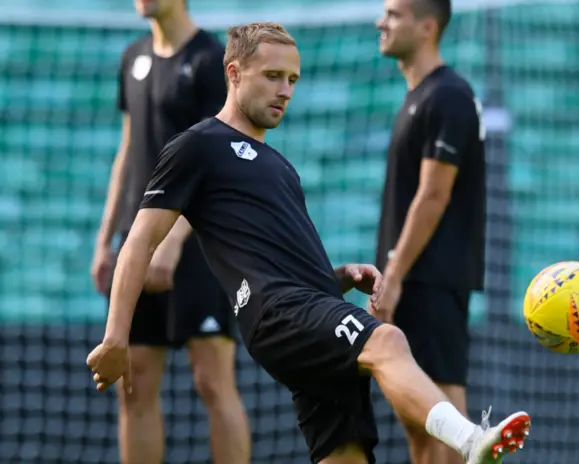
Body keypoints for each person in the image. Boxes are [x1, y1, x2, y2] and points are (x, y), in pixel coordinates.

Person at [86, 21, 531, 464]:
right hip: (276, 312)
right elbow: (140, 242)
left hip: (307, 305)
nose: (285, 91)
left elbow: (281, 259)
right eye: (273, 76)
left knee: (347, 455)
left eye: (293, 80)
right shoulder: (197, 145)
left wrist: (336, 278)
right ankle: (470, 440)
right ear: (234, 73)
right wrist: (115, 338)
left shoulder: (280, 166)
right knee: (388, 342)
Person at [88, 0, 250, 462]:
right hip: (136, 241)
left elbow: (215, 160)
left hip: (196, 245)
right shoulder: (132, 55)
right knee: (133, 383)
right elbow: (128, 150)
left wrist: (173, 241)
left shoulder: (208, 60)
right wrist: (105, 240)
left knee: (212, 381)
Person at [374, 0, 487, 463]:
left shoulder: (449, 95)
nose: (382, 22)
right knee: (421, 428)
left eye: (394, 14)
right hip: (415, 276)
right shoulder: (419, 95)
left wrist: (394, 275)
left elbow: (434, 194)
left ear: (427, 27)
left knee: (447, 422)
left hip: (432, 278)